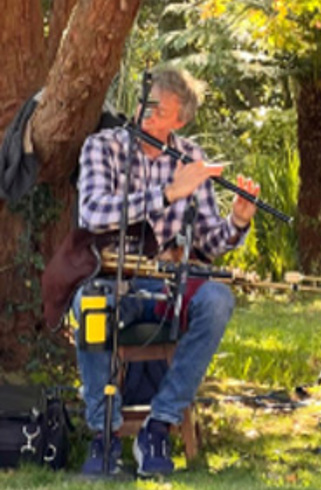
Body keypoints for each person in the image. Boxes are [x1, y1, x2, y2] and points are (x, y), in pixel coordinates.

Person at [73, 67, 260, 476]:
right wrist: (167, 193)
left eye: (158, 109)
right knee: (90, 305)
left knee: (217, 300)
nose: (145, 113)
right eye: (144, 103)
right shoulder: (102, 146)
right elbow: (94, 212)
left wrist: (237, 222)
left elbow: (208, 243)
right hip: (110, 281)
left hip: (167, 290)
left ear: (180, 119)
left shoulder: (192, 158)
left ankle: (158, 426)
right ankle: (102, 433)